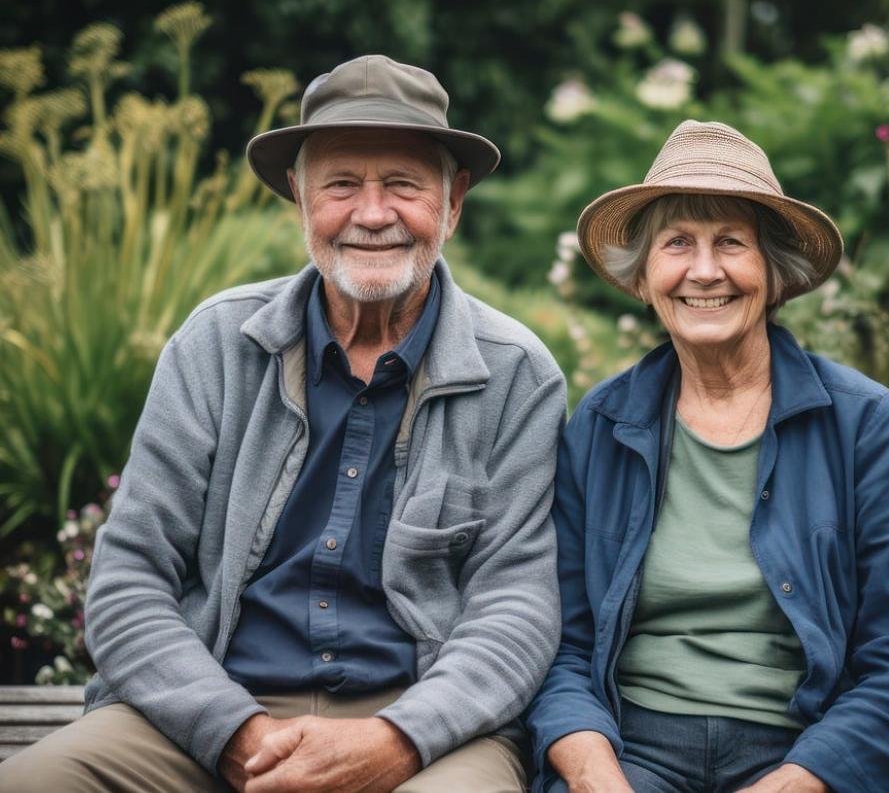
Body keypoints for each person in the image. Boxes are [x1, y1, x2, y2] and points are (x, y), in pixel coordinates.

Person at [0, 55, 566, 793]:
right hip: (210, 706)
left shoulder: (517, 372)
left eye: (402, 184)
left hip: (423, 721)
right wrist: (235, 734)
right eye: (340, 185)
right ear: (298, 196)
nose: (371, 214)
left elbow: (517, 607)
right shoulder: (215, 345)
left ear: (452, 201)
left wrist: (397, 741)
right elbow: (128, 577)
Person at [526, 120, 889, 793]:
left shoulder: (865, 425)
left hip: (807, 748)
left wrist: (798, 780)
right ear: (643, 277)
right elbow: (562, 649)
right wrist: (594, 775)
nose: (705, 271)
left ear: (773, 273)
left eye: (730, 242)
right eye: (677, 244)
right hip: (632, 745)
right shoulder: (601, 426)